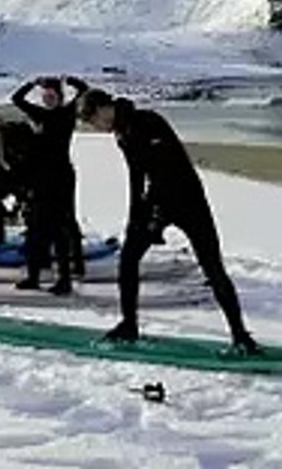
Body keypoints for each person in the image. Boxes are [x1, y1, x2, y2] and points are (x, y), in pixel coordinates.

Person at [78, 89, 258, 353]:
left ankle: (241, 337)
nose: (95, 127)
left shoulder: (148, 121)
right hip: (156, 204)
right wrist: (134, 217)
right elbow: (136, 175)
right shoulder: (121, 132)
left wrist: (155, 214)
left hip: (188, 201)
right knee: (128, 260)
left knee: (212, 266)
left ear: (104, 108)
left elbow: (170, 169)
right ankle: (129, 325)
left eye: (93, 120)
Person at [11, 75, 89, 295]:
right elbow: (17, 99)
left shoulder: (68, 114)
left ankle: (64, 280)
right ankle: (33, 277)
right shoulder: (40, 115)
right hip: (40, 179)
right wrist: (32, 84)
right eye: (45, 96)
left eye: (52, 96)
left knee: (59, 229)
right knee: (35, 228)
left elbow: (84, 91)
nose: (48, 99)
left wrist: (71, 80)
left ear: (60, 97)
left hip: (62, 179)